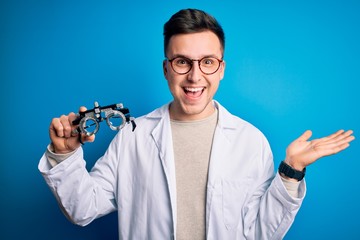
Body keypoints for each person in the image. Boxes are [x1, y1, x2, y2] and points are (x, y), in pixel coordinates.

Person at [38, 8, 355, 240]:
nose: (194, 76)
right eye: (182, 62)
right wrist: (63, 156)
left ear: (221, 69)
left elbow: (261, 232)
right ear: (166, 69)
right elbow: (82, 209)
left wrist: (291, 170)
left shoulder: (250, 141)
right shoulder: (132, 138)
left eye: (207, 62)